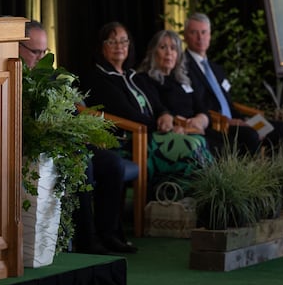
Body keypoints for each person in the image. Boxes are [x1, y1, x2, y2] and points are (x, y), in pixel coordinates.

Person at [20, 19, 130, 255]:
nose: (41, 58)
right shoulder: (12, 79)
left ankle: (108, 234)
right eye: (35, 52)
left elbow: (76, 108)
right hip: (38, 146)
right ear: (17, 48)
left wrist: (85, 130)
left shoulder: (53, 78)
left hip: (68, 141)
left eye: (44, 52)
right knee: (83, 162)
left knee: (112, 163)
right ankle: (86, 239)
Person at [83, 23, 211, 199]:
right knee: (192, 145)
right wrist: (162, 127)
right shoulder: (99, 78)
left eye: (123, 41)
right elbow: (126, 114)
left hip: (150, 134)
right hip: (130, 141)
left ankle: (188, 204)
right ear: (101, 46)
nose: (119, 46)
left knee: (198, 141)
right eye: (112, 42)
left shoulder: (132, 76)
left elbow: (157, 105)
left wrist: (165, 115)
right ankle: (180, 203)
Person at [183, 12, 283, 155]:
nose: (200, 37)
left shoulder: (216, 69)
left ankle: (275, 173)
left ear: (210, 35)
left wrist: (245, 119)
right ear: (185, 36)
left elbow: (229, 103)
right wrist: (231, 121)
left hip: (237, 119)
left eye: (204, 32)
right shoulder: (182, 68)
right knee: (250, 135)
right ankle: (251, 176)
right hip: (217, 124)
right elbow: (197, 105)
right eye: (194, 32)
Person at [134, 29, 213, 183]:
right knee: (203, 146)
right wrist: (177, 124)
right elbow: (158, 109)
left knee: (229, 142)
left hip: (196, 129)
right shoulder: (145, 79)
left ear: (178, 54)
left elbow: (203, 108)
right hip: (173, 132)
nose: (169, 53)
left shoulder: (184, 79)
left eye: (173, 48)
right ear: (152, 52)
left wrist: (201, 119)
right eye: (163, 48)